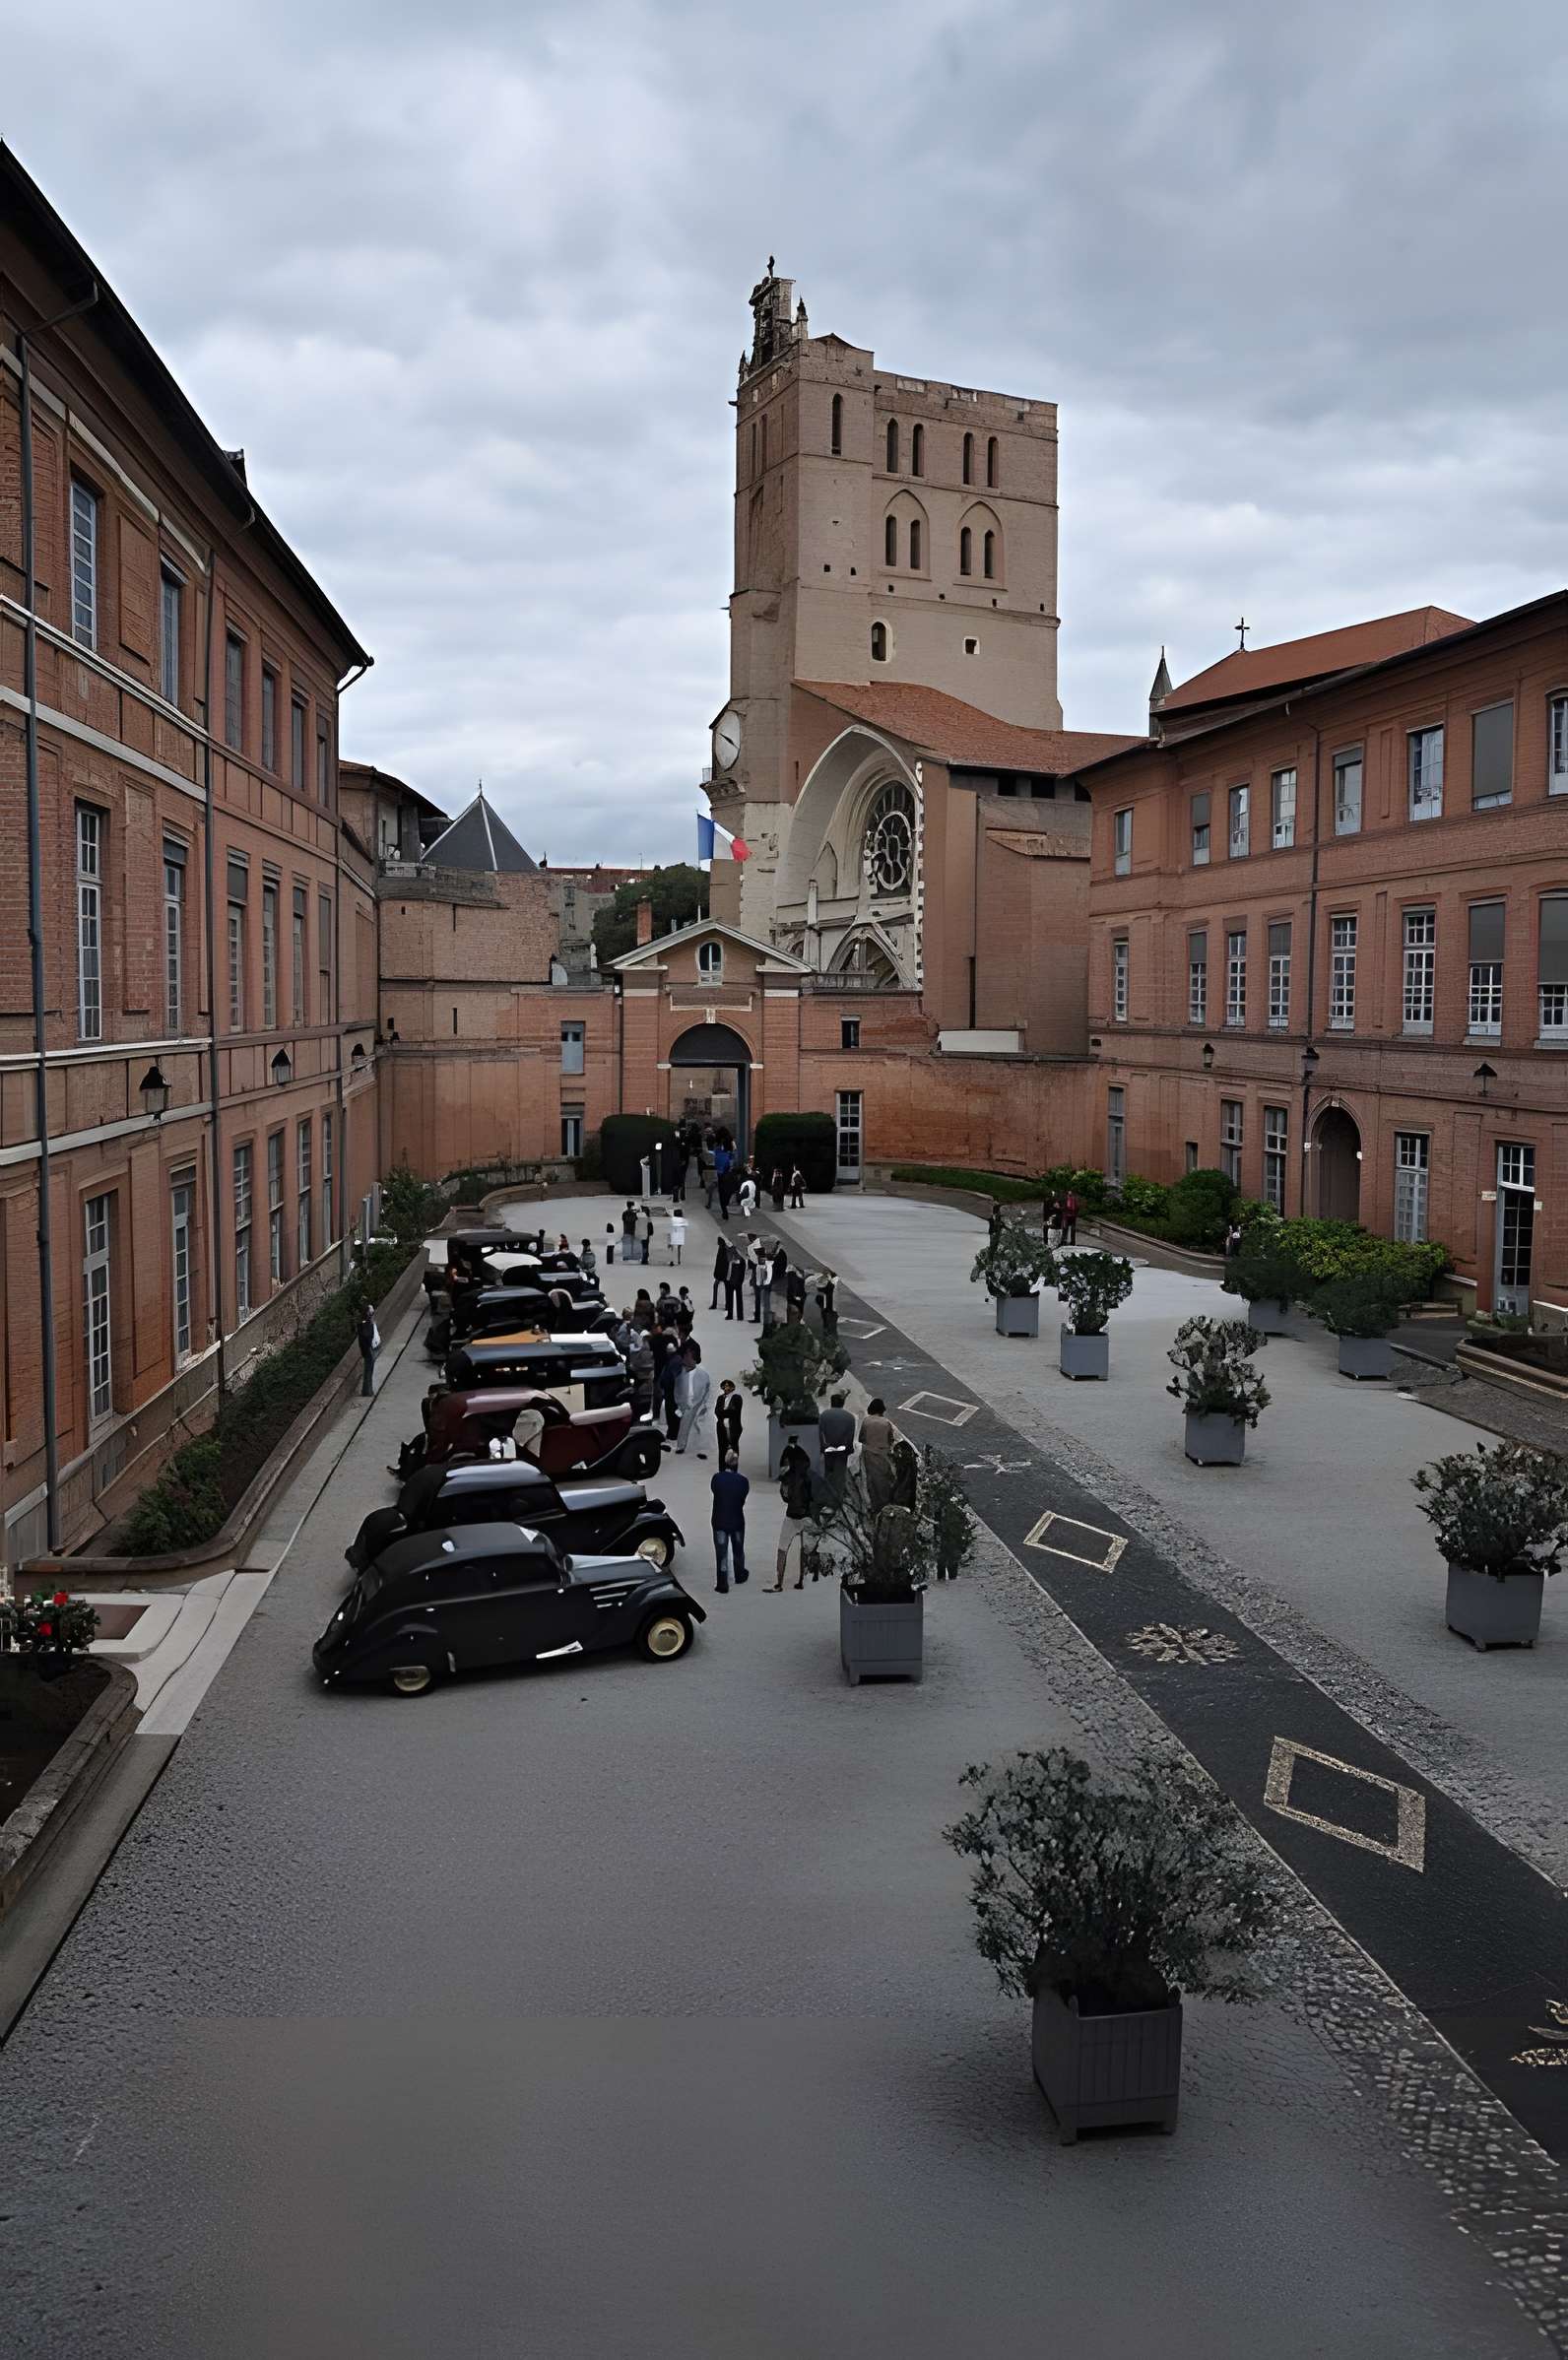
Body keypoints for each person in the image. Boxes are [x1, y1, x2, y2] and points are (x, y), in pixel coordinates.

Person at [768, 1436, 817, 1590]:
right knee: (805, 1548)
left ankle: (779, 1581)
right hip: (807, 1515)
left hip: (792, 1515)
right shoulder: (810, 1475)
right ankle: (802, 1579)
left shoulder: (788, 1477)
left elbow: (786, 1497)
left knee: (783, 1547)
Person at [710, 1453, 750, 1591]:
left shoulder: (717, 1478)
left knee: (721, 1553)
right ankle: (739, 1574)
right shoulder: (743, 1481)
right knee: (738, 1549)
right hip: (737, 1519)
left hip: (719, 1520)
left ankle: (722, 1583)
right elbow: (742, 1498)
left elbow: (715, 1491)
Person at [676, 1341, 712, 1457]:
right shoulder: (678, 1373)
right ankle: (681, 1445)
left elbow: (708, 1393)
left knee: (702, 1422)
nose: (688, 1358)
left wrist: (703, 1405)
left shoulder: (704, 1374)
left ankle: (702, 1448)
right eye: (686, 1355)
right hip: (682, 1406)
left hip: (699, 1406)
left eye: (691, 1355)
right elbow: (675, 1393)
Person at [859, 1396, 895, 1511]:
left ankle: (875, 1506)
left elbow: (861, 1438)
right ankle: (885, 1504)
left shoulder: (866, 1421)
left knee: (872, 1480)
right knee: (883, 1480)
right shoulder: (886, 1423)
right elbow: (890, 1440)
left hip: (869, 1453)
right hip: (883, 1454)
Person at [818, 1390, 856, 1499]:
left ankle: (828, 1495)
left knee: (828, 1473)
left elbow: (820, 1433)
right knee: (839, 1475)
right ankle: (838, 1497)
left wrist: (822, 1447)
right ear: (842, 1403)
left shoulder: (824, 1415)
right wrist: (849, 1448)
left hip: (828, 1448)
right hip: (842, 1449)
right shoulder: (849, 1417)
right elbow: (850, 1435)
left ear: (831, 1402)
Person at [654, 1322, 684, 1441]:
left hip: (672, 1392)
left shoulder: (674, 1361)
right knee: (670, 1413)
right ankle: (672, 1432)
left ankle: (673, 1433)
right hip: (670, 1391)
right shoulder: (673, 1359)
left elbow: (673, 1377)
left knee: (672, 1414)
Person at [715, 1376, 743, 1460]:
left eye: (728, 1386)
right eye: (724, 1386)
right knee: (722, 1448)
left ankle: (733, 1469)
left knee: (733, 1447)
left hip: (734, 1426)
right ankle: (722, 1469)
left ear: (732, 1387)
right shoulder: (720, 1398)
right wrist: (726, 1412)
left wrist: (723, 1412)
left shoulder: (737, 1397)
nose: (726, 1388)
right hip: (721, 1426)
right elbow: (717, 1412)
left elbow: (735, 1412)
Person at [356, 1301, 380, 1398]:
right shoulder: (366, 1324)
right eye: (371, 1311)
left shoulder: (365, 1323)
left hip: (369, 1349)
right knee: (368, 1371)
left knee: (369, 1370)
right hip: (369, 1350)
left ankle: (367, 1390)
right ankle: (367, 1391)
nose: (373, 1312)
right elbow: (367, 1337)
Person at [889, 1434, 919, 1511]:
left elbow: (901, 1479)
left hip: (902, 1495)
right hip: (908, 1491)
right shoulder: (908, 1451)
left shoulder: (901, 1451)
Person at [749, 1238, 770, 1324]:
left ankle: (758, 1317)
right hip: (763, 1281)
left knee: (758, 1299)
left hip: (758, 1281)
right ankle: (764, 1317)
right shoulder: (765, 1257)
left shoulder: (757, 1259)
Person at [724, 1240, 748, 1322]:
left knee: (733, 1297)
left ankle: (734, 1315)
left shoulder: (733, 1253)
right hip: (733, 1278)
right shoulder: (730, 1251)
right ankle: (738, 1316)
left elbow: (741, 1266)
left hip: (735, 1279)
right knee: (735, 1297)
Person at [815, 1269, 838, 1338]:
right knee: (828, 1297)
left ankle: (831, 1279)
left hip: (828, 1314)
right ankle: (831, 1279)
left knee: (827, 1297)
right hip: (828, 1314)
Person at [710, 1232, 730, 1311]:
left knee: (717, 1286)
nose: (717, 1242)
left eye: (718, 1240)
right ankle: (725, 1305)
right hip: (722, 1272)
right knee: (723, 1287)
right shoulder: (722, 1249)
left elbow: (721, 1263)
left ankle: (717, 1304)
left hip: (722, 1273)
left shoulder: (723, 1250)